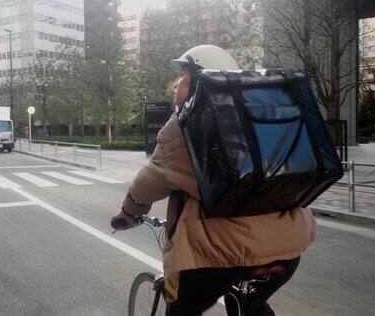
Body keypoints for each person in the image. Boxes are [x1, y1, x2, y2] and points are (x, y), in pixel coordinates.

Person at [110, 45, 317, 316]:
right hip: (289, 246)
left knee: (181, 309)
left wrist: (129, 212)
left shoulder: (184, 126)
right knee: (251, 303)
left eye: (182, 77)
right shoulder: (260, 114)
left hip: (222, 255)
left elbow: (148, 183)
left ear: (201, 83)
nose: (175, 86)